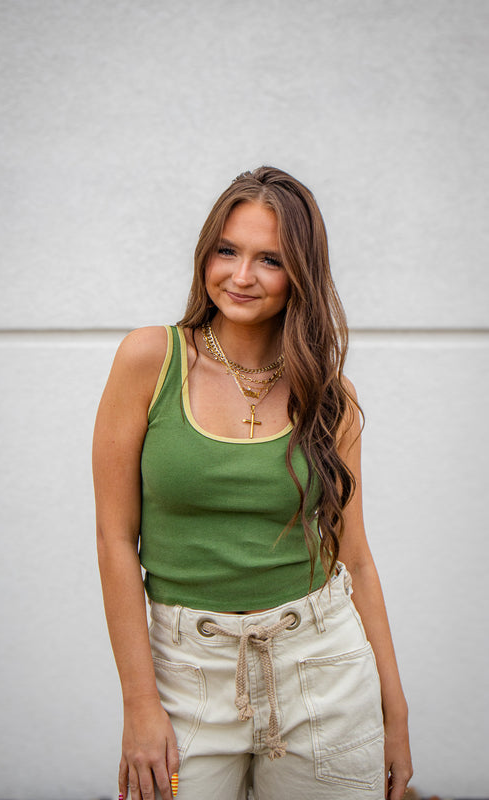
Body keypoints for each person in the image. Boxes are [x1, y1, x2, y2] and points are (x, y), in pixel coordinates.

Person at [92, 167, 413, 800]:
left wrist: (395, 714)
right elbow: (112, 538)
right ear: (205, 253)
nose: (241, 277)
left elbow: (355, 558)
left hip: (324, 666)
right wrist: (139, 704)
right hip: (188, 671)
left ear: (301, 275)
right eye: (227, 250)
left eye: (270, 259)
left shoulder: (330, 397)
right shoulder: (149, 360)